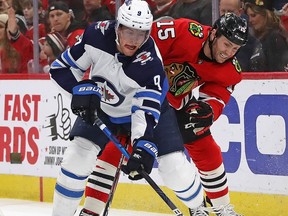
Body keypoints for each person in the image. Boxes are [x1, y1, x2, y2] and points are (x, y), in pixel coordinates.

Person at [49, 0, 205, 216]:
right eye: (129, 31)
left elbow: (144, 113)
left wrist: (142, 146)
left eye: (140, 33)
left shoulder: (150, 64)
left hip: (146, 114)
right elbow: (60, 68)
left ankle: (199, 208)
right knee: (76, 159)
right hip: (103, 107)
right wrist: (78, 90)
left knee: (174, 169)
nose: (134, 40)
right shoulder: (95, 35)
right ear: (118, 26)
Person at [150, 13, 249, 215]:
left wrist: (209, 110)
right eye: (226, 44)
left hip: (173, 103)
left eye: (235, 48)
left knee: (199, 133)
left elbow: (218, 94)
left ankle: (220, 207)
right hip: (140, 94)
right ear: (213, 34)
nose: (229, 52)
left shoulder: (230, 69)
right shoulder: (183, 32)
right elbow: (140, 39)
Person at [219, 0, 265, 71]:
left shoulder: (249, 41)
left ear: (240, 12)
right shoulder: (212, 35)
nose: (226, 15)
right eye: (223, 11)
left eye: (230, 12)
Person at [244, 0, 288, 72]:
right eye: (248, 16)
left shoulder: (274, 38)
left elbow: (278, 72)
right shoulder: (260, 40)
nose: (250, 20)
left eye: (253, 15)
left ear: (266, 15)